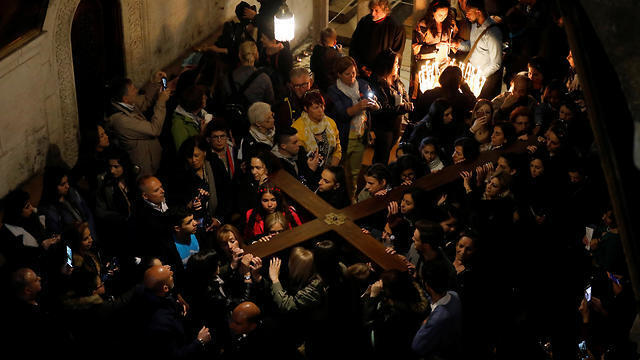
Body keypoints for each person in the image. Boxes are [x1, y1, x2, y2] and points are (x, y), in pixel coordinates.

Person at [325, 56, 378, 185]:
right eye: (347, 74)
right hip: (343, 133)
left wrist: (374, 105)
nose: (352, 77)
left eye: (353, 73)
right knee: (341, 162)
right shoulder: (334, 90)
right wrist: (358, 107)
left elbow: (376, 104)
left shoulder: (362, 84)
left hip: (360, 131)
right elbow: (342, 114)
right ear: (339, 74)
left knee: (356, 164)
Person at [140, 265, 212, 358]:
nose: (172, 273)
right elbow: (175, 356)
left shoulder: (156, 295)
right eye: (169, 276)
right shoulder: (161, 322)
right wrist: (200, 341)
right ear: (165, 288)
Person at [107, 72, 171, 176]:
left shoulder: (126, 105)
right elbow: (154, 130)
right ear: (125, 99)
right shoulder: (121, 121)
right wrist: (161, 103)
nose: (136, 90)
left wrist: (154, 83)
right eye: (133, 90)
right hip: (145, 172)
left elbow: (145, 101)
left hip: (153, 163)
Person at [171, 136, 225, 232]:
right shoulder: (180, 175)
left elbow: (226, 194)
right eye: (189, 156)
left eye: (196, 155)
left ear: (204, 153)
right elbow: (177, 203)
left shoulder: (215, 165)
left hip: (219, 221)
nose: (193, 160)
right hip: (194, 227)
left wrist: (218, 219)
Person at [411, 260, 463, 359]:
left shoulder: (437, 319)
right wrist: (415, 281)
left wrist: (425, 323)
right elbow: (432, 298)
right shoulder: (453, 295)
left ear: (426, 284)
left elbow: (417, 346)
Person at [452, 0, 503, 99]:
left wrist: (479, 77)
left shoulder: (493, 33)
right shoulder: (474, 25)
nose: (467, 15)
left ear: (478, 12)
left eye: (469, 12)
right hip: (473, 74)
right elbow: (474, 45)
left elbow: (496, 64)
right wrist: (459, 45)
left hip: (486, 80)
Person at [369, 49, 412, 165]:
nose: (398, 66)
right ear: (387, 66)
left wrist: (406, 103)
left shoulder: (395, 79)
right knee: (381, 157)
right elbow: (384, 108)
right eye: (395, 63)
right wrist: (405, 107)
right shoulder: (377, 84)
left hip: (395, 125)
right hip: (383, 128)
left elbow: (403, 94)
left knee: (387, 152)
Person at [39, 167, 97, 242]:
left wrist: (91, 233)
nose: (67, 186)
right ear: (53, 187)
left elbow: (87, 212)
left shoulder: (72, 192)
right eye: (63, 184)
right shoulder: (50, 210)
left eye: (67, 182)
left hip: (89, 234)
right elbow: (59, 234)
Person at [349, 0, 405, 76]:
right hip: (362, 72)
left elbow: (396, 55)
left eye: (376, 10)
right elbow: (354, 46)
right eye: (371, 10)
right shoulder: (364, 21)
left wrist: (379, 73)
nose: (373, 13)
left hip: (383, 75)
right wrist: (361, 66)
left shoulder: (396, 27)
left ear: (385, 9)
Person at [291, 90, 342, 168]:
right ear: (306, 108)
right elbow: (297, 155)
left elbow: (337, 148)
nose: (320, 110)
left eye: (322, 106)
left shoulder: (330, 123)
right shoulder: (297, 127)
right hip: (309, 169)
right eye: (316, 108)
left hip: (329, 168)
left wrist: (332, 168)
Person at [258, 24, 294, 99]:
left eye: (264, 38)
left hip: (279, 89)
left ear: (273, 40)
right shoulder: (263, 51)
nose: (261, 40)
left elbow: (287, 74)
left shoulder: (285, 53)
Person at [171, 85, 212, 150]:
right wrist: (202, 134)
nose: (206, 98)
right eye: (203, 98)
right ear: (196, 101)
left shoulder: (201, 115)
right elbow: (184, 151)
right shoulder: (179, 124)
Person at [310, 27, 342, 93]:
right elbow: (340, 67)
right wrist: (340, 53)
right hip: (330, 83)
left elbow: (312, 66)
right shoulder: (335, 54)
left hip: (318, 81)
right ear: (334, 42)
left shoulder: (316, 49)